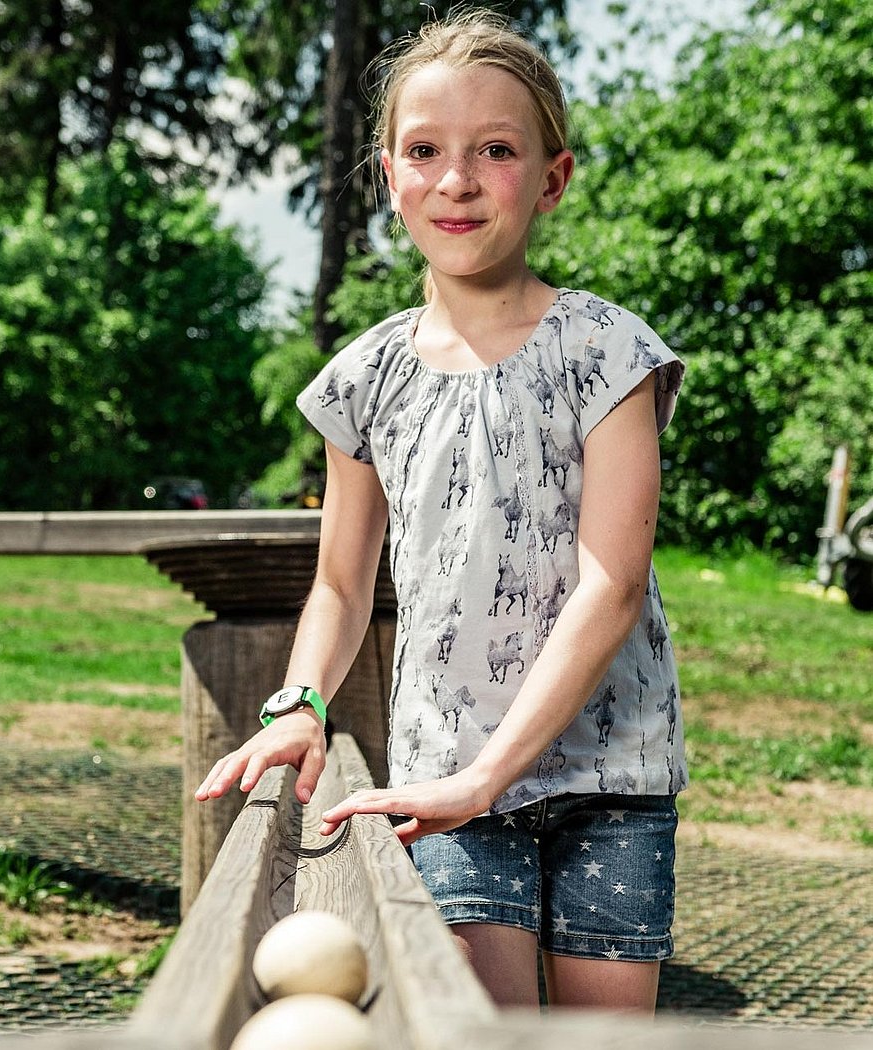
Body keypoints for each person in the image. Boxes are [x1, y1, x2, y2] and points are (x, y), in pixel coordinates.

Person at [196, 8, 687, 1013]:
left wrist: (490, 773)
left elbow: (613, 583)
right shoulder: (363, 380)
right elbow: (341, 581)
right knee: (481, 1034)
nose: (455, 180)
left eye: (494, 150)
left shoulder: (609, 355)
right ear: (388, 174)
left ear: (552, 178)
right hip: (446, 788)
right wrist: (301, 703)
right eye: (424, 150)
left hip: (613, 775)